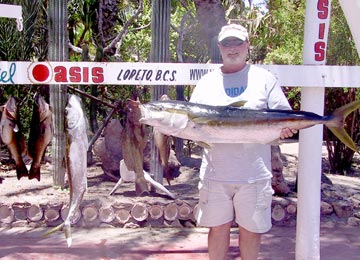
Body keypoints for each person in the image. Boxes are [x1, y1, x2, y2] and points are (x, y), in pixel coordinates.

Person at [190, 23, 297, 260]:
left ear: (247, 45)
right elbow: (193, 126)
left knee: (251, 231)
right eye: (227, 43)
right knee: (217, 230)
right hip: (215, 176)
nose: (232, 48)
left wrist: (286, 130)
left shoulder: (264, 78)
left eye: (237, 42)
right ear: (219, 47)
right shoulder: (206, 83)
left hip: (255, 175)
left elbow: (283, 116)